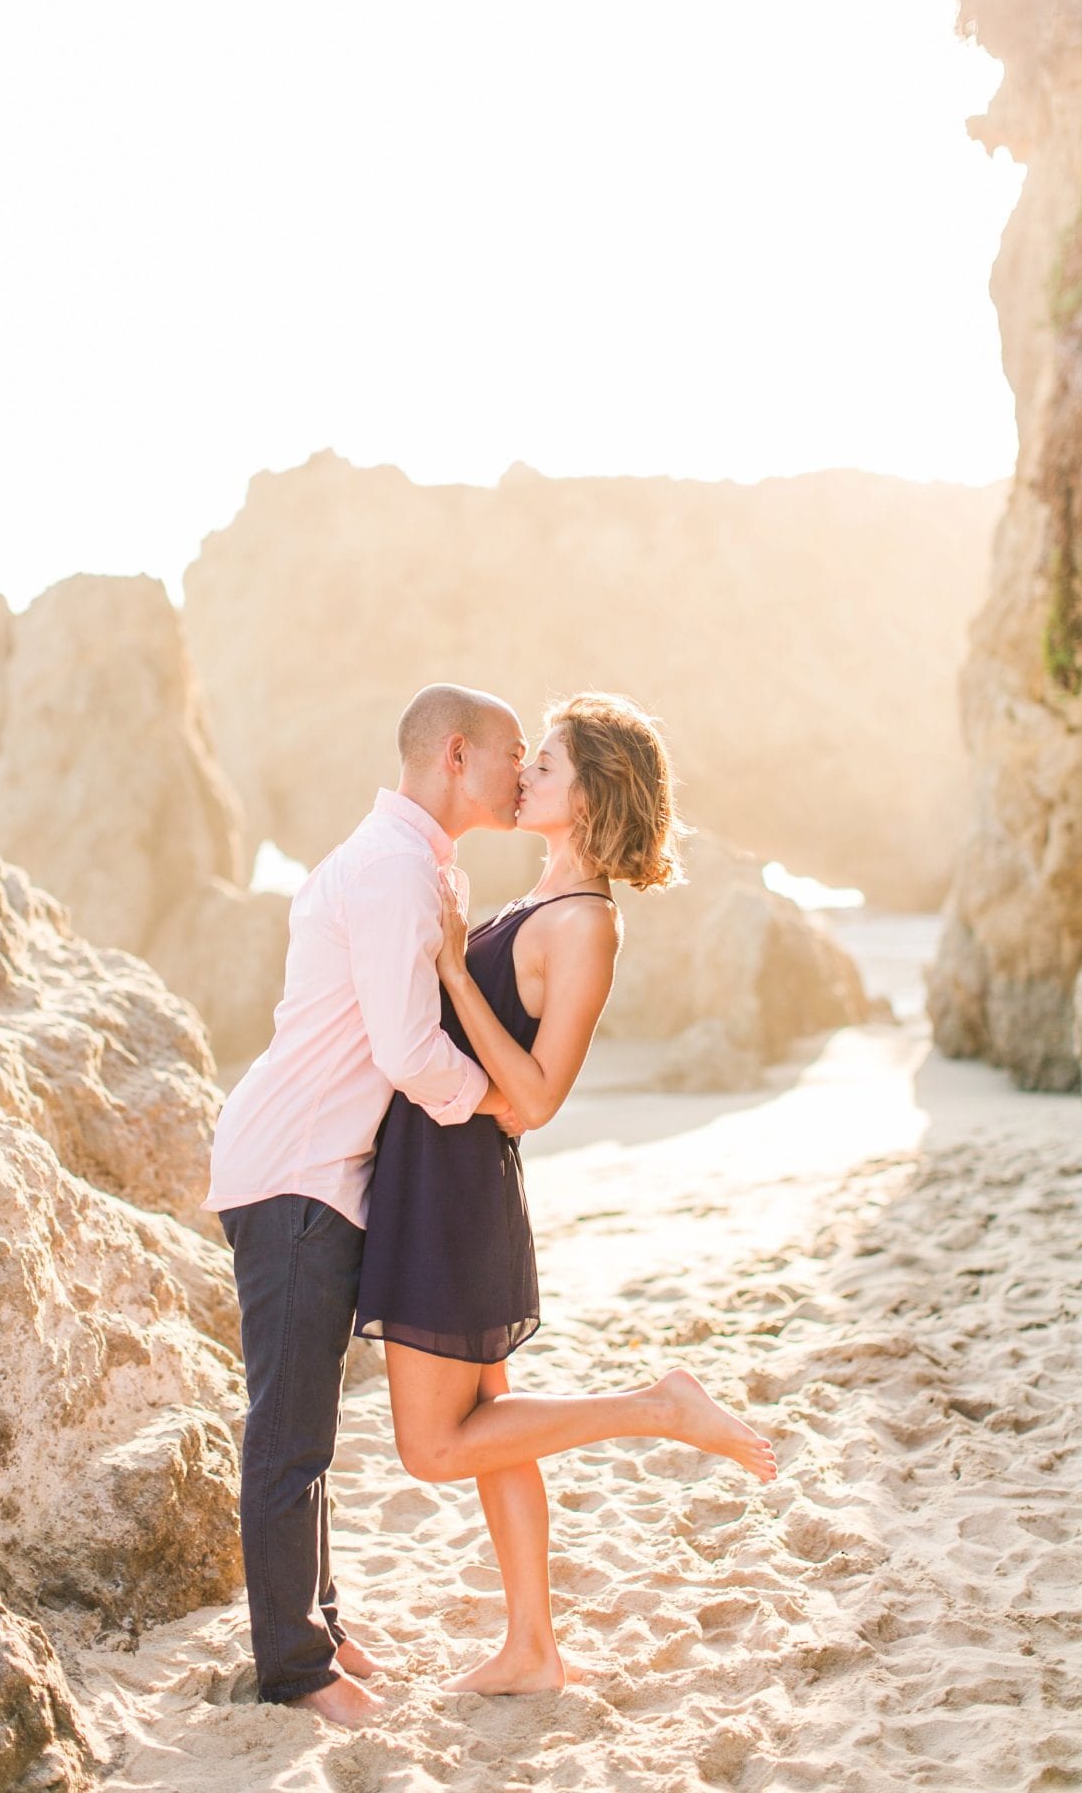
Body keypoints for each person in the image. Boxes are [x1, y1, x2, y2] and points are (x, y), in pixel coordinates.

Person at [355, 692, 777, 1696]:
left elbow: (538, 1097)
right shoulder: (537, 898)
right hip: (439, 1171)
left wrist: (455, 973)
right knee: (494, 1422)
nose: (526, 773)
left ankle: (656, 1407)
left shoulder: (585, 924)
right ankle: (533, 1648)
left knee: (433, 1446)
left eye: (546, 761)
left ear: (591, 794)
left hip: (458, 1192)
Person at [203, 683, 529, 1727]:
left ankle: (320, 1626)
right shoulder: (392, 869)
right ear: (455, 755)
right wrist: (503, 1106)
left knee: (308, 1430)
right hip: (295, 1168)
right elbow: (404, 1051)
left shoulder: (407, 862)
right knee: (289, 1432)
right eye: (512, 754)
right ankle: (294, 1669)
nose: (523, 774)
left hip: (314, 1170)